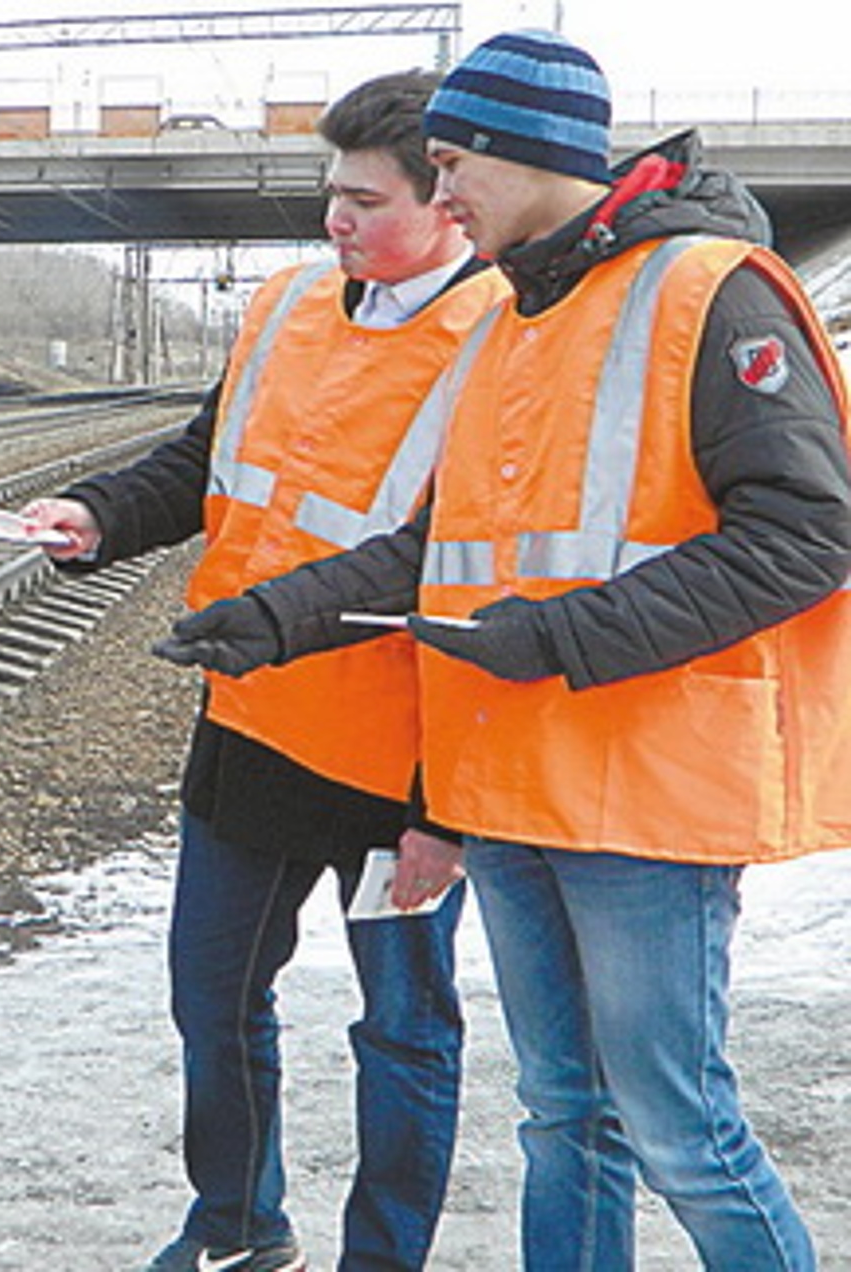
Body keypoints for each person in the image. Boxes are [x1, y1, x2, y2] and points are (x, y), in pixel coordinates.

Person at [156, 30, 851, 1271]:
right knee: (564, 1119)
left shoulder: (713, 290)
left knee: (682, 1130)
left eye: (456, 159)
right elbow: (438, 546)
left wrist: (558, 639)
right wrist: (278, 620)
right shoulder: (521, 310)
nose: (446, 186)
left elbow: (807, 535)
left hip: (650, 799)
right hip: (516, 780)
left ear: (533, 155)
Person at [24, 71, 508, 1272]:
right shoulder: (291, 303)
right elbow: (205, 459)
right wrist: (95, 513)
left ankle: (382, 1257)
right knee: (213, 994)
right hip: (251, 720)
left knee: (402, 1029)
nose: (334, 221)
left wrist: (445, 803)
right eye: (328, 193)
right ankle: (238, 1227)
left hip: (403, 756)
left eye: (363, 200)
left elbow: (475, 568)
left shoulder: (506, 338)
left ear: (449, 203)